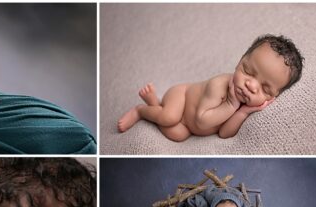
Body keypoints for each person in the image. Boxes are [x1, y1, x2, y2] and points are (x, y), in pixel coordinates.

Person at [117, 34, 303, 141]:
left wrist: (243, 112)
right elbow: (201, 121)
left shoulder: (245, 102)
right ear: (240, 62)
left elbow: (223, 133)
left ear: (273, 98)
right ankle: (142, 110)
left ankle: (155, 105)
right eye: (248, 71)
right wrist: (230, 105)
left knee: (178, 135)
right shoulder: (219, 85)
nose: (251, 86)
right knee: (169, 117)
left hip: (187, 126)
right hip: (181, 98)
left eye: (265, 89)